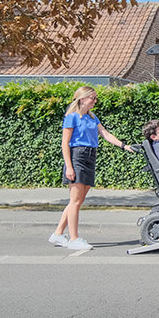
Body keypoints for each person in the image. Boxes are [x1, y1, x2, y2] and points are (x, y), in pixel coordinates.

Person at [49, 86, 133, 250]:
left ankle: (58, 234)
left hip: (90, 156)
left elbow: (106, 134)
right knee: (75, 201)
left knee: (77, 201)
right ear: (82, 99)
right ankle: (74, 239)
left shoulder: (92, 117)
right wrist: (69, 166)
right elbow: (64, 144)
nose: (95, 101)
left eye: (95, 98)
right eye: (92, 98)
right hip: (77, 156)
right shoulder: (72, 117)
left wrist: (124, 146)